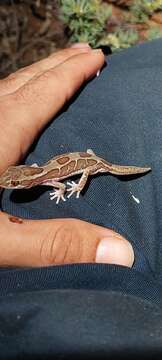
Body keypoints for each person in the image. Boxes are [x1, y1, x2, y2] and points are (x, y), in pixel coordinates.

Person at [0, 39, 162, 359]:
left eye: (16, 183)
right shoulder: (40, 173)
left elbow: (71, 177)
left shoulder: (46, 176)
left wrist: (71, 188)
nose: (14, 187)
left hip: (95, 164)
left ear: (28, 178)